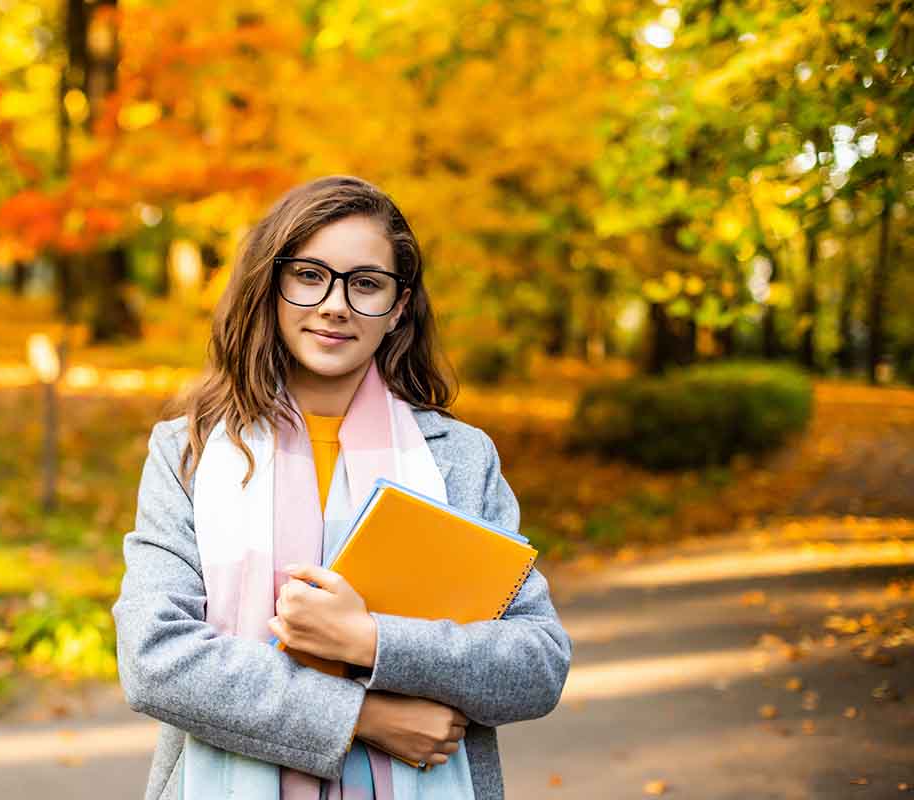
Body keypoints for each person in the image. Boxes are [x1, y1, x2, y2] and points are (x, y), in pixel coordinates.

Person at [112, 175, 572, 800]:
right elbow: (155, 660)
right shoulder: (188, 452)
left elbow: (536, 663)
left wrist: (371, 640)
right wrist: (364, 718)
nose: (335, 305)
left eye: (365, 284)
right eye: (309, 275)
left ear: (399, 306)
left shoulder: (459, 460)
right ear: (270, 286)